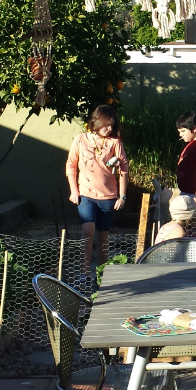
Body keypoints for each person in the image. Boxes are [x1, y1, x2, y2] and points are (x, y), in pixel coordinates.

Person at [66, 105, 128, 272]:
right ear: (96, 121)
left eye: (111, 126)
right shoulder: (80, 140)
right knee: (87, 231)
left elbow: (124, 170)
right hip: (86, 194)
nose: (108, 129)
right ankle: (84, 271)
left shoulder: (114, 142)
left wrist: (122, 197)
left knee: (103, 236)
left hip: (108, 196)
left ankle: (101, 273)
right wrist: (74, 190)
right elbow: (71, 165)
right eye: (105, 125)